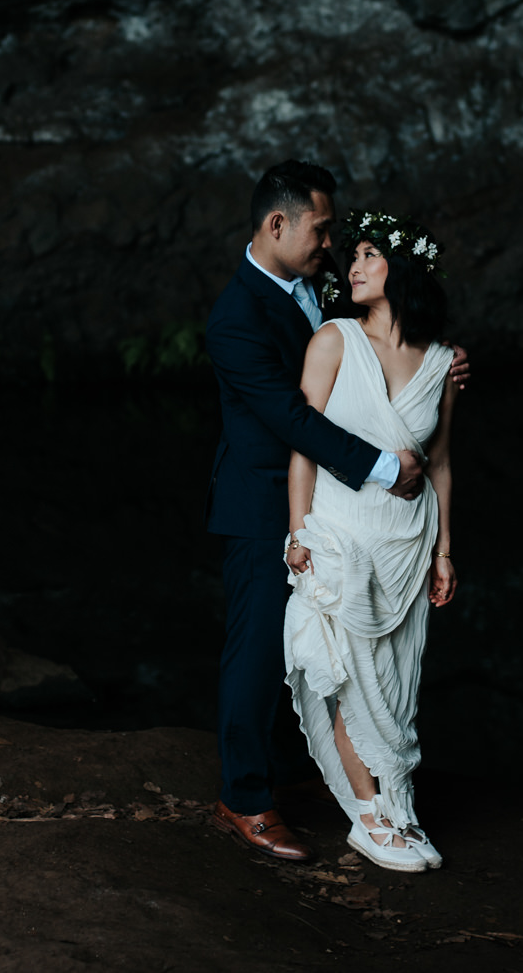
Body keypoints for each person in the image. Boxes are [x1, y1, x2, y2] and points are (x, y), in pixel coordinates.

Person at [204, 161, 467, 862]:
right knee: (260, 653)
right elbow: (292, 416)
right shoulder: (235, 317)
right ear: (277, 224)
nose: (334, 247)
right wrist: (387, 468)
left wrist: (438, 362)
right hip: (267, 502)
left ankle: (319, 772)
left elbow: (375, 351)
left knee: (336, 652)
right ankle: (245, 798)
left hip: (343, 509)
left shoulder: (317, 288)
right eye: (322, 231)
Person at [282, 209, 456, 871]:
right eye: (350, 255)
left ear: (402, 269)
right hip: (337, 537)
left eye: (368, 255)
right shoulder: (331, 340)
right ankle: (371, 817)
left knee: (398, 688)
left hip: (407, 545)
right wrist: (296, 532)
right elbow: (302, 443)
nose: (351, 267)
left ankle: (401, 811)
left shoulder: (442, 361)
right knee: (352, 679)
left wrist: (444, 551)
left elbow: (440, 462)